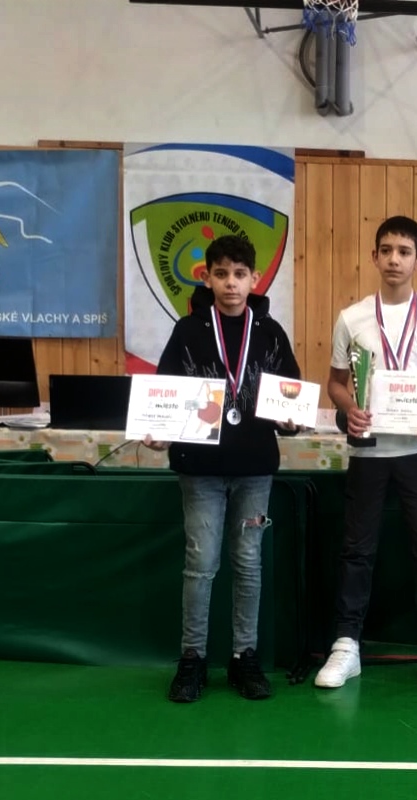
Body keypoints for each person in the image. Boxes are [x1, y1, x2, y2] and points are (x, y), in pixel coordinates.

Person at [144, 234, 302, 703]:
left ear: (255, 279)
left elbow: (292, 393)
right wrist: (159, 430)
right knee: (201, 563)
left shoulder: (270, 332)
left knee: (248, 562)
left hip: (254, 467)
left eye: (239, 274)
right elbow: (164, 392)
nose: (231, 283)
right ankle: (192, 659)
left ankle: (243, 657)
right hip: (200, 469)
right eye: (221, 274)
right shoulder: (188, 330)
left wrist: (292, 420)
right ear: (206, 277)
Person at [314, 215, 417, 692]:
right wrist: (350, 408)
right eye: (386, 250)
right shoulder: (352, 317)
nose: (394, 259)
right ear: (374, 257)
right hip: (369, 452)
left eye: (404, 251)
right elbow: (336, 383)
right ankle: (346, 645)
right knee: (357, 549)